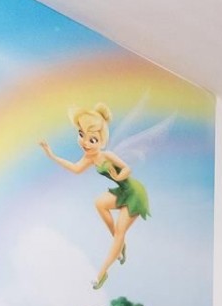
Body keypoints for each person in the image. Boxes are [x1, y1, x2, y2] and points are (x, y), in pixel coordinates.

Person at [39, 103, 150, 290]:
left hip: (134, 194)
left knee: (120, 233)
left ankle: (101, 274)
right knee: (99, 203)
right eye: (81, 135)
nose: (85, 143)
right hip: (123, 191)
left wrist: (118, 177)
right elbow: (75, 169)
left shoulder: (107, 155)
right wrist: (52, 155)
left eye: (92, 140)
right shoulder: (89, 158)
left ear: (101, 141)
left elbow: (127, 169)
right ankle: (120, 243)